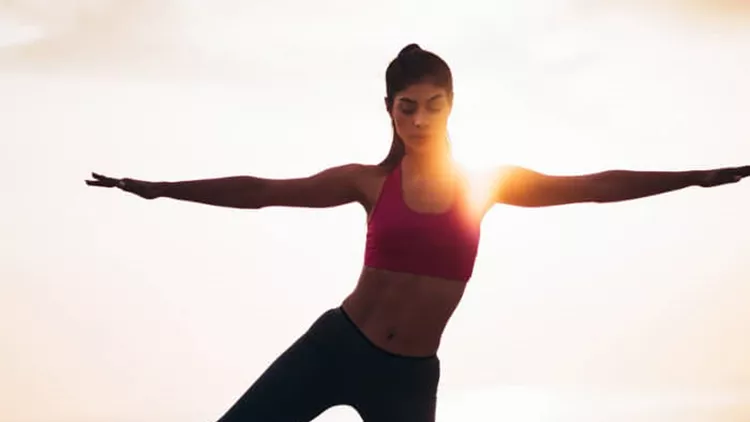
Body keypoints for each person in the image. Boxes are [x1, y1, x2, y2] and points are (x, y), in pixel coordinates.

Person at [86, 43, 749, 422]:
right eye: (409, 107)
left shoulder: (486, 184)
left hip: (406, 381)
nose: (422, 119)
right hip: (334, 347)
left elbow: (593, 187)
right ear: (390, 110)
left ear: (451, 107)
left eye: (435, 105)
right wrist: (159, 188)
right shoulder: (369, 184)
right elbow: (263, 193)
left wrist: (702, 176)